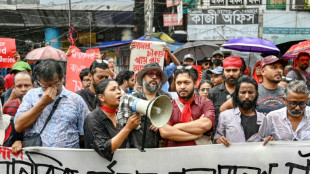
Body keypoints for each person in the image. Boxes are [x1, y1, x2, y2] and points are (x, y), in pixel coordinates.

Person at [14, 59, 89, 148]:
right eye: (45, 85)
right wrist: (42, 103)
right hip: (37, 157)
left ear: (62, 79)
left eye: (56, 84)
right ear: (38, 82)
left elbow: (84, 135)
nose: (51, 89)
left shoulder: (76, 100)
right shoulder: (31, 96)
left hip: (68, 158)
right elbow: (18, 126)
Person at [84, 79, 142, 161]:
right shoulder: (92, 118)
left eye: (118, 89)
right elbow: (103, 150)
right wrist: (128, 128)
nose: (119, 92)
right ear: (101, 97)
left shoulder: (121, 115)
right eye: (113, 89)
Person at [117, 63, 172, 149]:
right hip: (136, 151)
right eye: (150, 74)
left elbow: (173, 120)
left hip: (160, 150)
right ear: (143, 77)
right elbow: (121, 126)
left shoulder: (167, 98)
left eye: (157, 75)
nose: (154, 77)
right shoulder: (131, 98)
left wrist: (162, 124)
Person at [160, 65, 215, 147]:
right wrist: (197, 135)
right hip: (174, 155)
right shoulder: (167, 105)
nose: (182, 87)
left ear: (195, 84)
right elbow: (165, 132)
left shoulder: (205, 103)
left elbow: (205, 125)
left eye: (186, 82)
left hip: (200, 155)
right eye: (179, 83)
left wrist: (176, 126)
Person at [214, 76, 264, 147]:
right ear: (237, 94)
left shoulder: (263, 119)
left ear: (256, 94)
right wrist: (219, 140)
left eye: (250, 92)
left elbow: (266, 142)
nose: (247, 96)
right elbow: (216, 139)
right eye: (243, 92)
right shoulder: (225, 116)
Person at [208, 56, 243, 125]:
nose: (231, 74)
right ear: (223, 72)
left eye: (235, 70)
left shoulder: (246, 92)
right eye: (228, 70)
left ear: (240, 72)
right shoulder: (213, 92)